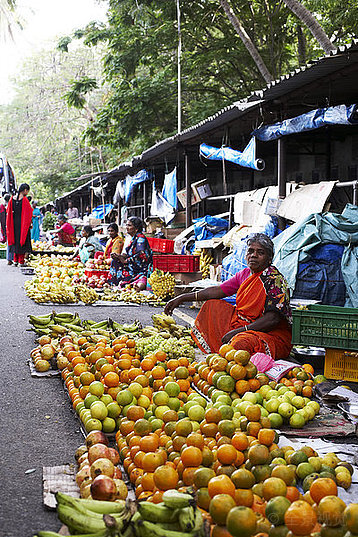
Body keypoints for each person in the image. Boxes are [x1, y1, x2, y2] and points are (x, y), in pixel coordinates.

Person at [165, 233, 292, 359]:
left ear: (269, 258)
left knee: (240, 345)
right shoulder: (245, 273)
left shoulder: (275, 281)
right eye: (251, 251)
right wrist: (182, 298)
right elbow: (217, 290)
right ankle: (222, 351)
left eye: (260, 252)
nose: (254, 255)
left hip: (268, 333)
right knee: (211, 306)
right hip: (243, 324)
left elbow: (272, 319)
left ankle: (232, 351)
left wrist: (240, 331)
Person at [109, 216, 152, 291]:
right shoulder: (133, 238)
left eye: (129, 225)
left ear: (136, 228)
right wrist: (119, 256)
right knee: (115, 261)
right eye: (127, 225)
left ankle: (128, 283)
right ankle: (113, 284)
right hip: (132, 264)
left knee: (141, 277)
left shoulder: (140, 239)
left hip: (139, 268)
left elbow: (141, 255)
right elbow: (130, 253)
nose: (127, 227)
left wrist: (126, 261)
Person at [6, 183, 33, 266]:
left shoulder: (12, 199)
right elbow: (29, 213)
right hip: (22, 224)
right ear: (25, 190)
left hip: (13, 224)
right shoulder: (24, 199)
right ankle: (21, 261)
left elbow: (8, 212)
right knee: (22, 241)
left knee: (14, 241)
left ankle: (15, 260)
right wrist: (29, 223)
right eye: (27, 191)